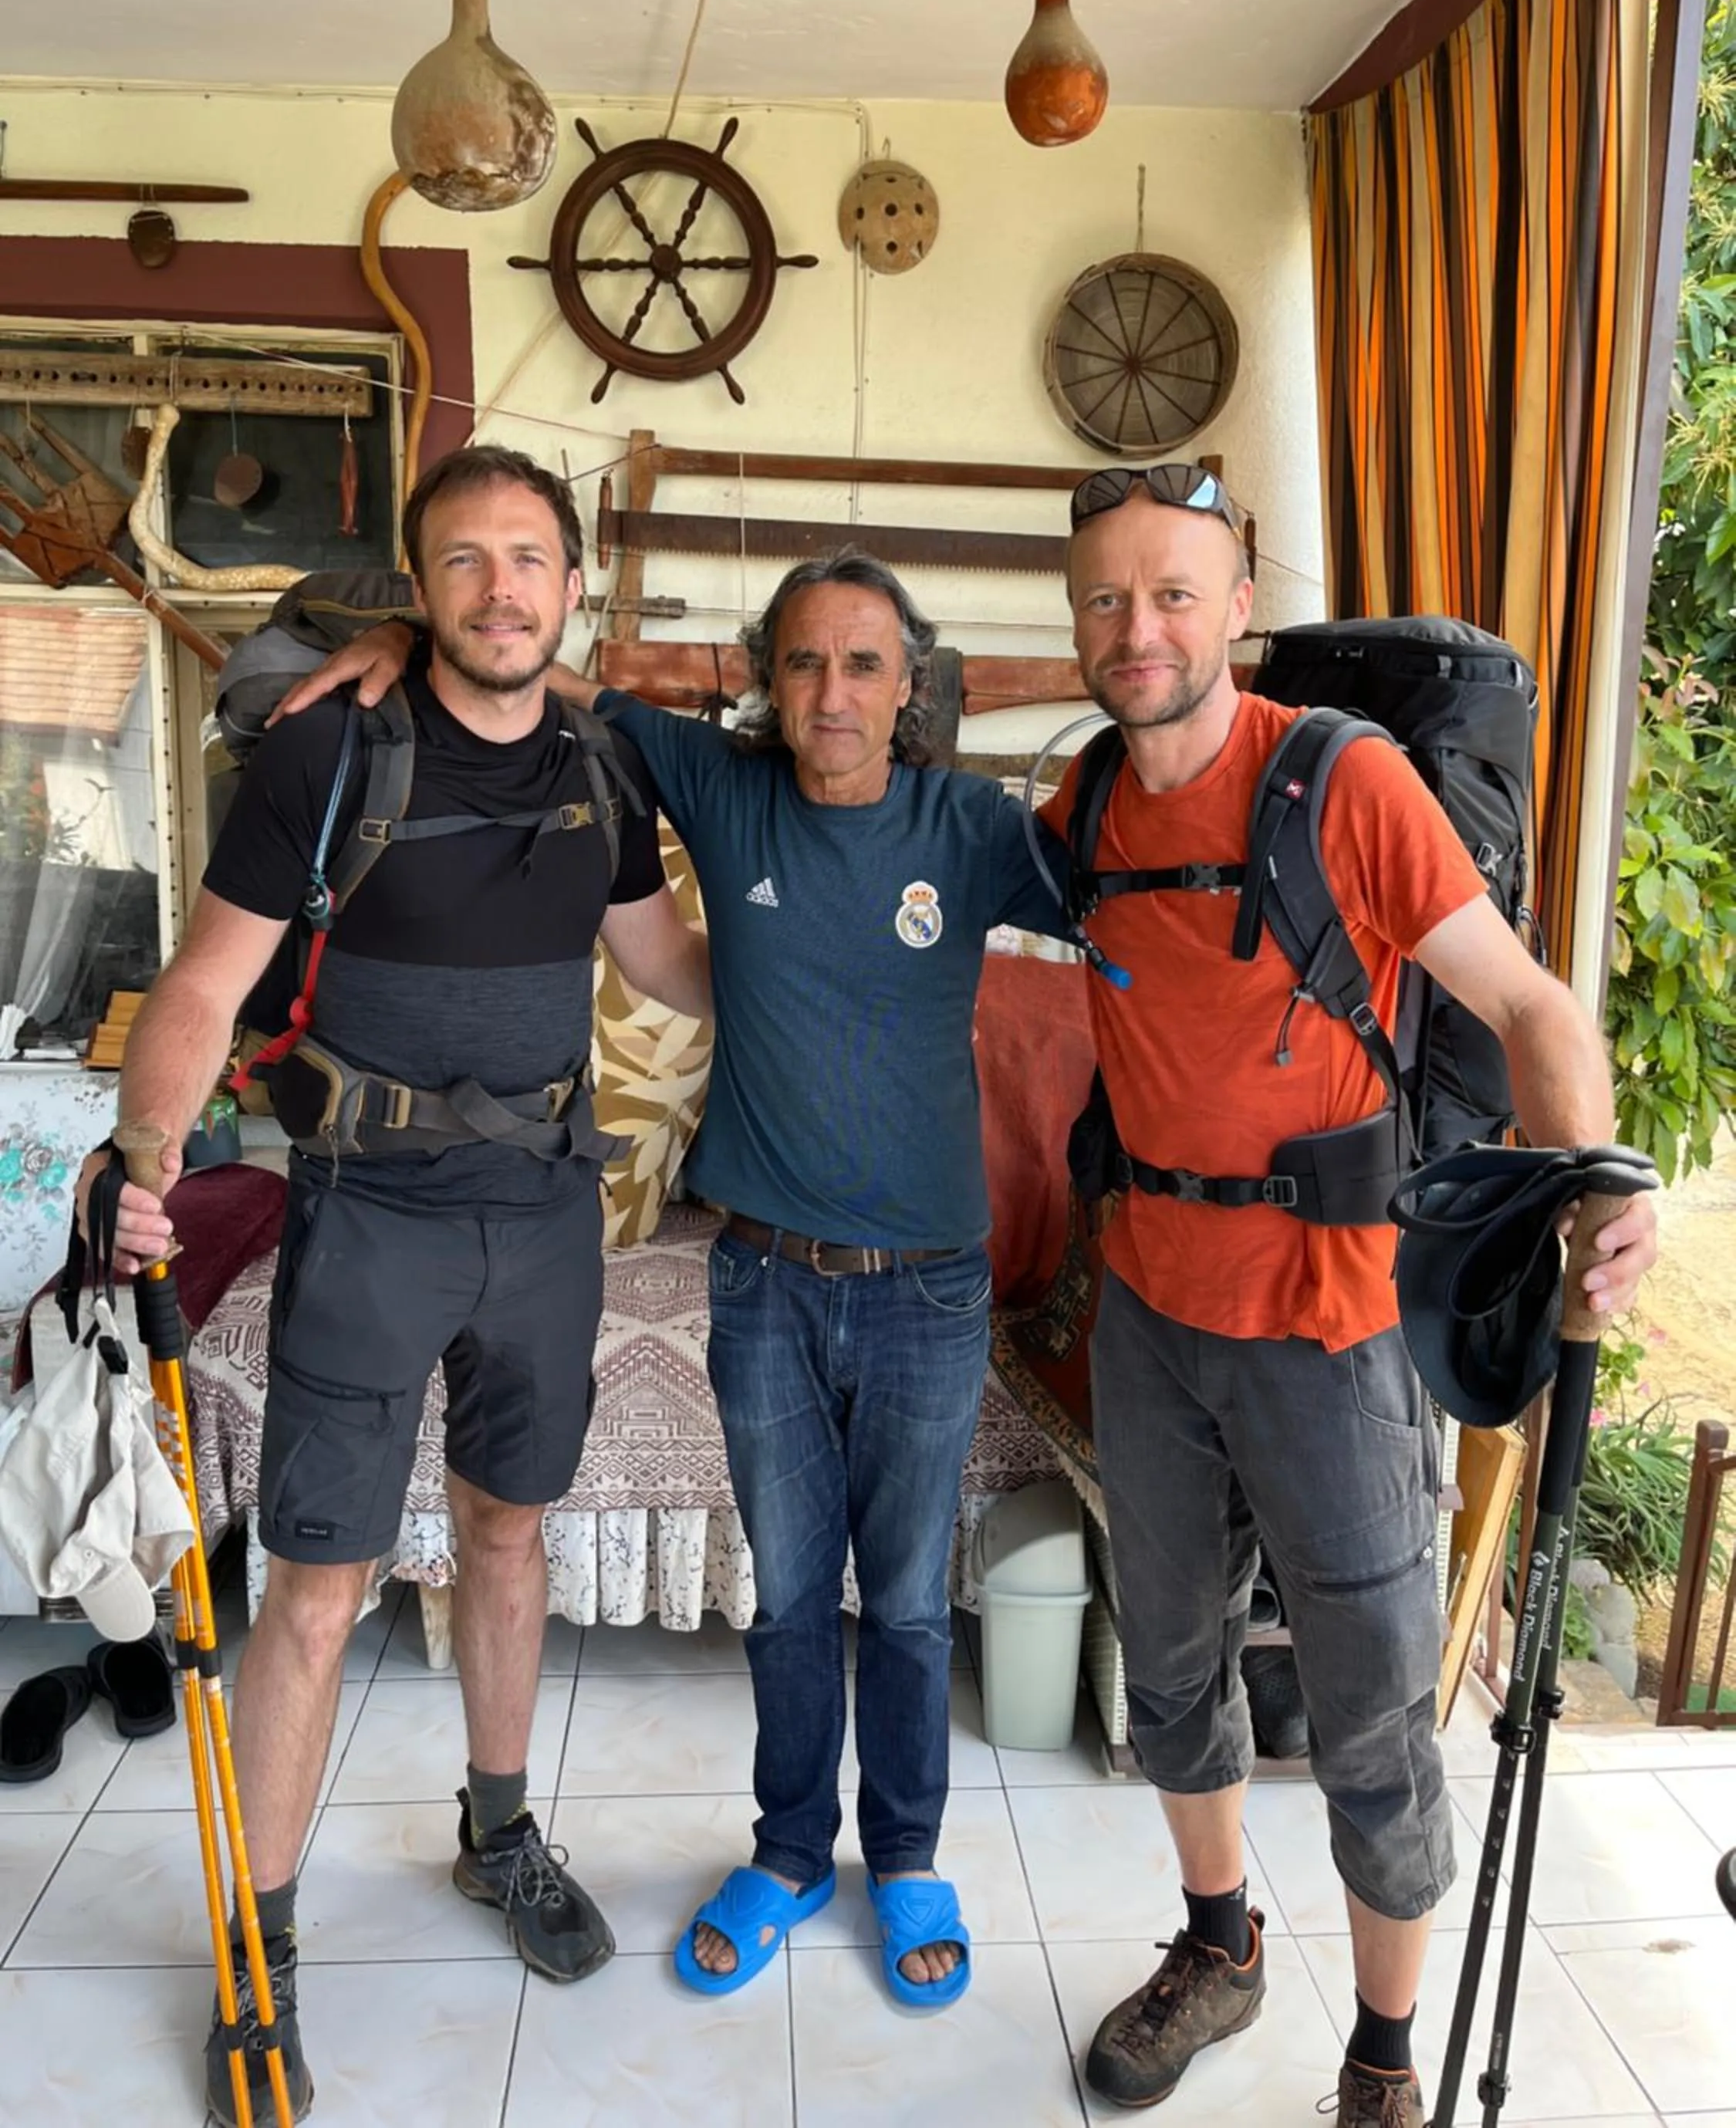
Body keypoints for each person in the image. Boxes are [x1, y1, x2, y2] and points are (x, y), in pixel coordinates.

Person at [288, 546, 1076, 2010]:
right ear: (765, 682)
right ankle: (786, 1854)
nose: (830, 692)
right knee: (788, 1602)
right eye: (802, 662)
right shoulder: (719, 787)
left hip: (928, 1290)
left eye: (862, 664)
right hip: (765, 1284)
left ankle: (903, 1859)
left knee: (905, 1605)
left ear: (910, 689)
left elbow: (1139, 902)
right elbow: (541, 673)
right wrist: (413, 633)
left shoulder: (970, 824)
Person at [83, 446, 709, 2126]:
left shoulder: (603, 763)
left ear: (574, 587)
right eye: (467, 560)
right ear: (420, 590)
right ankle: (264, 1939)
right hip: (368, 1213)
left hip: (549, 1213)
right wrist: (142, 1160)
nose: (502, 587)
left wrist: (846, 958)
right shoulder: (328, 753)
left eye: (531, 558)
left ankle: (497, 1833)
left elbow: (669, 966)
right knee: (318, 1586)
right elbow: (204, 987)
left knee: (512, 1531)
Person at [1042, 464, 1660, 2126]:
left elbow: (1527, 1004)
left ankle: (1383, 2062)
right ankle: (1220, 1948)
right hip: (1155, 1320)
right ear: (1076, 621)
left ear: (1239, 603)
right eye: (1106, 598)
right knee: (1169, 1672)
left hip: (1333, 1327)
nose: (1138, 627)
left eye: (1175, 593)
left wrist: (1591, 1178)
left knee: (1373, 1720)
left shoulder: (1340, 782)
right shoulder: (1081, 810)